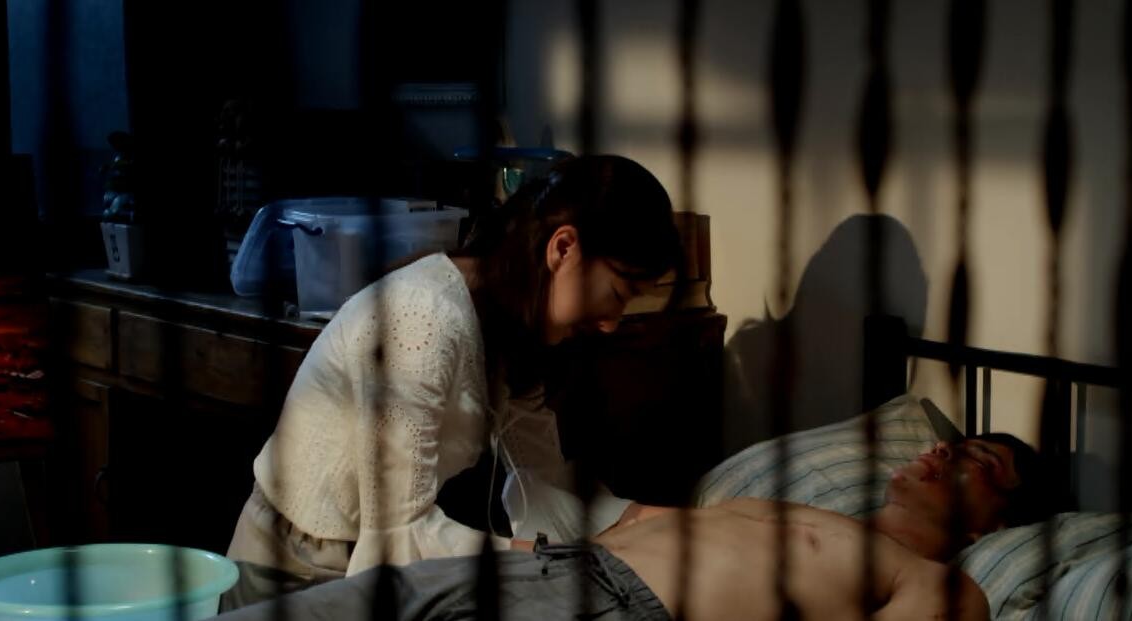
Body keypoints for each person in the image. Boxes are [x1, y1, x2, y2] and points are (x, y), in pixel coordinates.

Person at [222, 155, 684, 609]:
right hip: (293, 570)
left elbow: (543, 479)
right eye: (617, 293)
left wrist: (634, 517)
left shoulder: (510, 322)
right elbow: (398, 538)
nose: (611, 323)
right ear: (563, 248)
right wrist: (560, 559)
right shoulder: (421, 316)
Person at [214, 434, 1056, 621]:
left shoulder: (946, 584)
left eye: (976, 458)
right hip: (550, 568)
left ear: (995, 523)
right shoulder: (811, 513)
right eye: (947, 440)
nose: (941, 449)